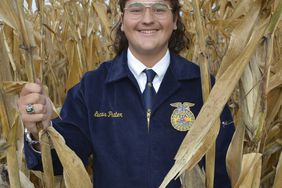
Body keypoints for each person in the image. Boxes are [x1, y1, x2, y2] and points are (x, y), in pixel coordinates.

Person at [18, 0, 234, 187]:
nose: (147, 19)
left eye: (159, 9)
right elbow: (62, 162)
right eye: (136, 9)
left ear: (175, 20)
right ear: (122, 21)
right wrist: (40, 131)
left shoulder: (205, 87)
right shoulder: (93, 87)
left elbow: (221, 171)